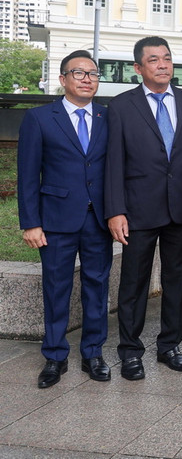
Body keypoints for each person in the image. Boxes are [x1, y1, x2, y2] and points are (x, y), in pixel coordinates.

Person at [105, 36, 182, 380]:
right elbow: (113, 163)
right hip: (137, 212)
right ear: (138, 68)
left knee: (176, 282)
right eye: (154, 60)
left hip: (181, 211)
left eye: (167, 58)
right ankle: (130, 351)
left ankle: (170, 346)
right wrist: (115, 210)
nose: (162, 65)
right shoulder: (120, 107)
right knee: (134, 283)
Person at [17, 51, 113, 388]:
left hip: (98, 220)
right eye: (78, 73)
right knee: (56, 288)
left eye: (93, 73)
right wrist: (30, 222)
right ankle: (55, 356)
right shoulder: (40, 118)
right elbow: (28, 174)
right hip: (55, 220)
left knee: (97, 287)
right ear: (63, 80)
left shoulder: (107, 116)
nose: (87, 79)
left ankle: (93, 353)